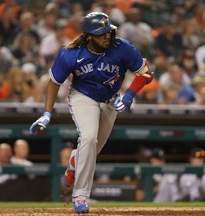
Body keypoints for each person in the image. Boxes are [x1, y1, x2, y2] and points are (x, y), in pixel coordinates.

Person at [29, 12, 153, 213]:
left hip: (111, 100)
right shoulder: (71, 53)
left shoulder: (122, 47)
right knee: (88, 138)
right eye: (100, 33)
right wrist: (46, 114)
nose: (106, 36)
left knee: (92, 151)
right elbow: (54, 82)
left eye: (108, 32)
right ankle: (80, 197)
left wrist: (129, 95)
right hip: (83, 97)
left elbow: (145, 72)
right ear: (88, 35)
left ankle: (74, 163)